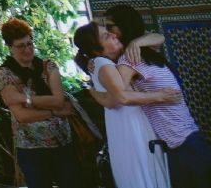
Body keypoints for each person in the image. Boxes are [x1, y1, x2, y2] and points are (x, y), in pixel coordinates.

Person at [103, 7, 211, 188]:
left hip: (185, 142)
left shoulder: (135, 56)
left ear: (125, 25)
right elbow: (119, 96)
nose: (108, 32)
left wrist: (135, 43)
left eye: (110, 27)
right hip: (183, 141)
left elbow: (116, 97)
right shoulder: (136, 57)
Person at [75, 20, 179, 188]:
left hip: (127, 123)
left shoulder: (105, 63)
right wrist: (159, 96)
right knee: (143, 171)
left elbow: (111, 99)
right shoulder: (102, 63)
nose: (114, 35)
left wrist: (93, 91)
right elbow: (121, 98)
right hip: (129, 125)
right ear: (96, 49)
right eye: (106, 36)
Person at [0, 18, 83, 188]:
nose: (27, 50)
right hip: (30, 148)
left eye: (30, 44)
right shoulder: (3, 73)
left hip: (62, 142)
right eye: (21, 46)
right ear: (9, 47)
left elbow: (58, 100)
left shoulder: (48, 66)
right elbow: (22, 116)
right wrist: (55, 112)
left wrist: (23, 98)